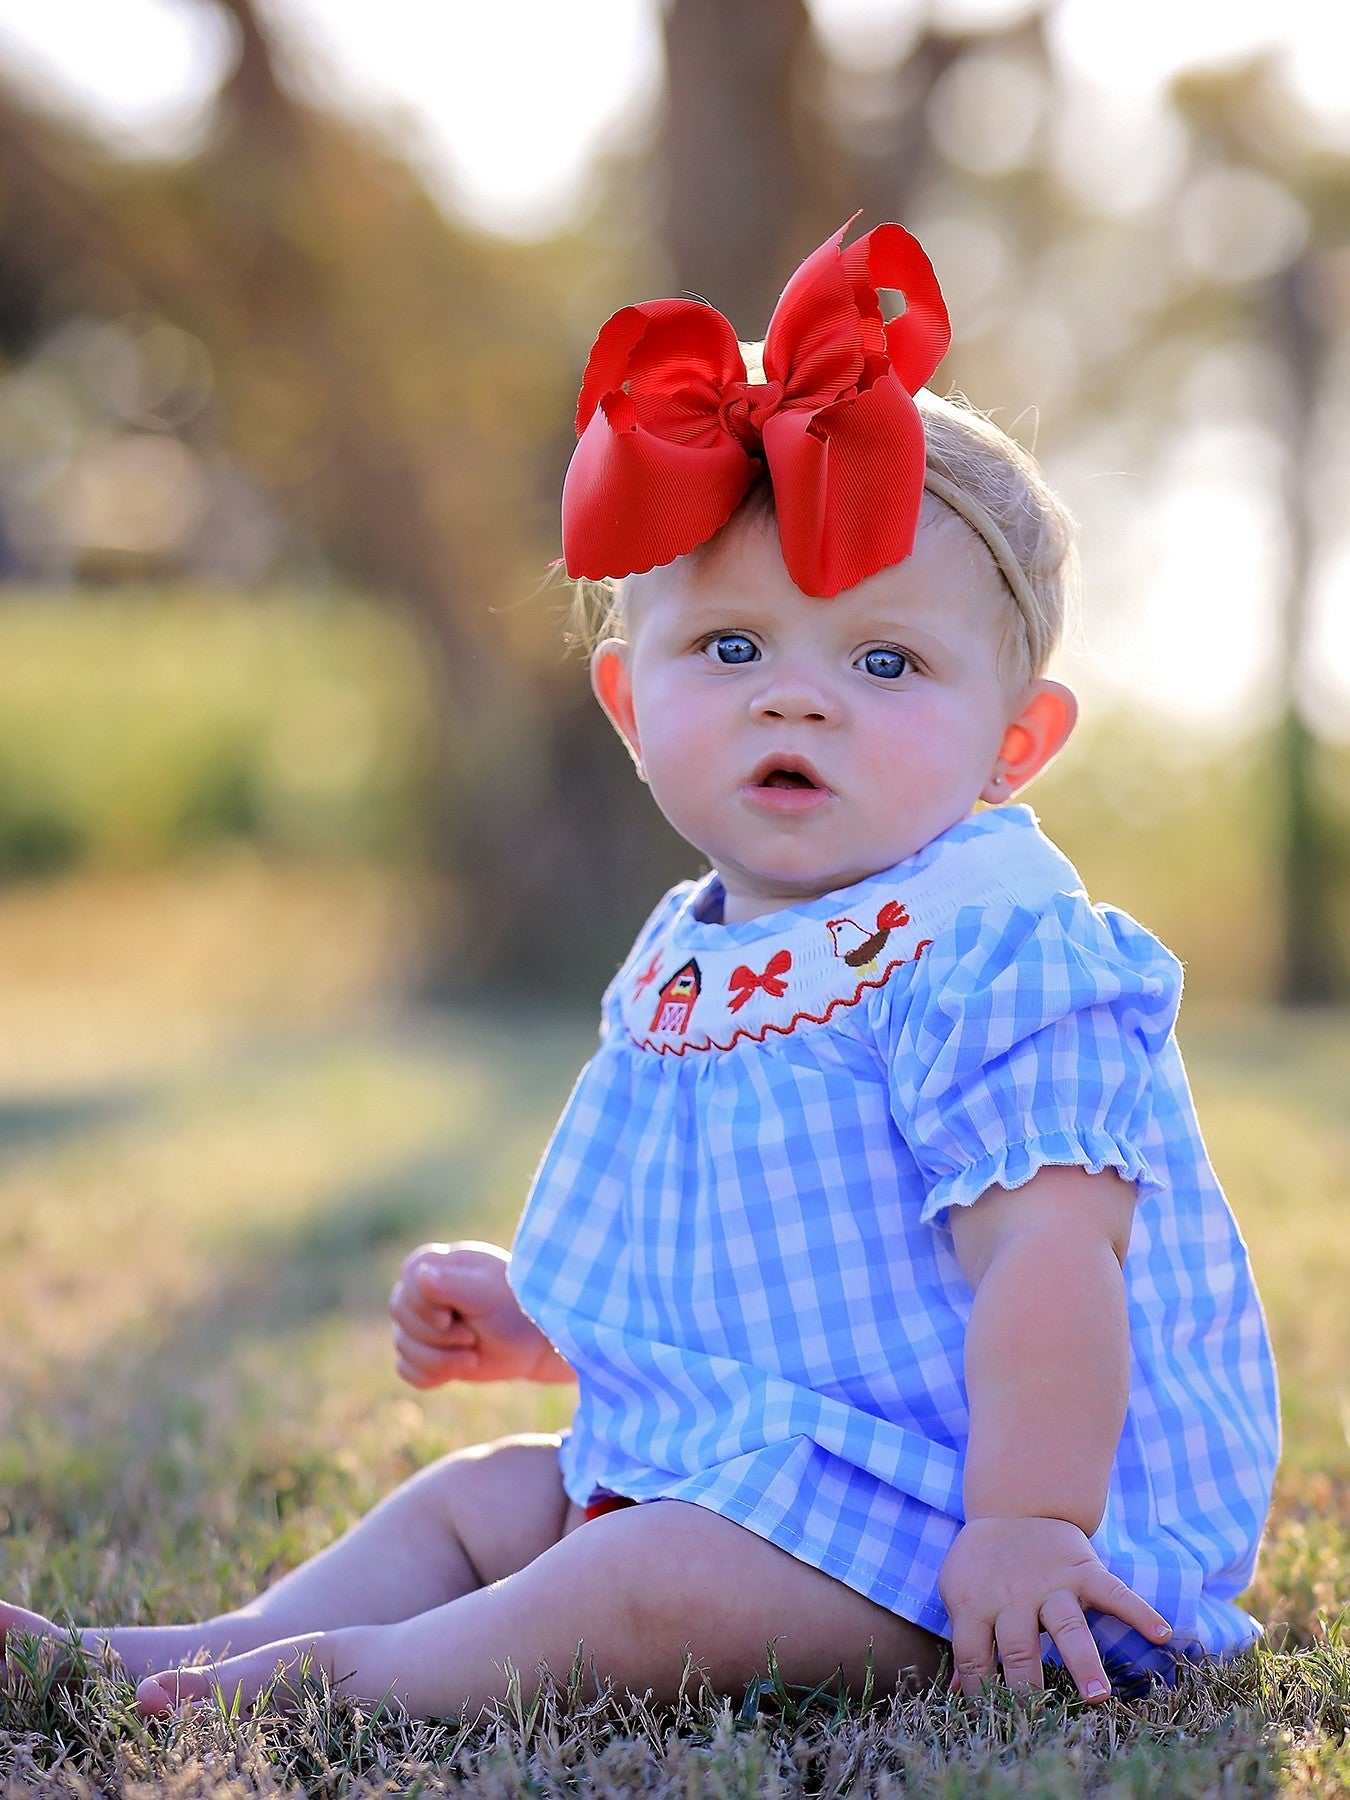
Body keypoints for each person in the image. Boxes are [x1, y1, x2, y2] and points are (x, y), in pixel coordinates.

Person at [2, 220, 1278, 1723]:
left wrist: (1029, 1526)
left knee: (646, 1578)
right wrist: (553, 1317)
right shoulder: (692, 949)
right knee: (484, 1500)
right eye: (731, 648)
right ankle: (198, 1648)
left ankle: (332, 1687)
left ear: (1015, 743)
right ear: (628, 700)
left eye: (884, 662)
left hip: (975, 1531)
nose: (796, 697)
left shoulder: (991, 951)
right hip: (773, 1477)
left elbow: (1053, 1262)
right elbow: (760, 1261)